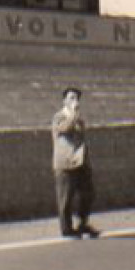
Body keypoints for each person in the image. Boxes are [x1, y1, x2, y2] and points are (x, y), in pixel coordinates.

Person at [51, 87, 100, 238]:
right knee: (65, 198)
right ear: (65, 100)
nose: (75, 101)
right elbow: (64, 128)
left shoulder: (79, 119)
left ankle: (83, 223)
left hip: (80, 162)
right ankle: (67, 230)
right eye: (71, 98)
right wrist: (72, 114)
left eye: (77, 98)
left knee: (88, 193)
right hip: (65, 163)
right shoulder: (59, 117)